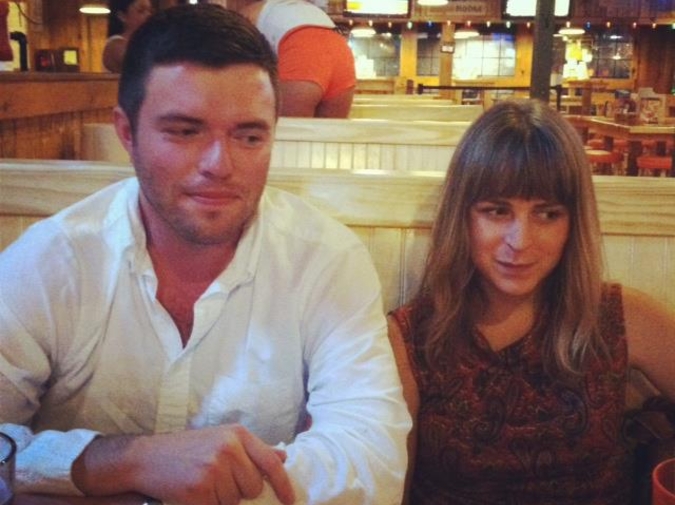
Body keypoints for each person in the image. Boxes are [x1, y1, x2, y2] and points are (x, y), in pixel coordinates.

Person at [0, 5, 410, 505]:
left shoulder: (326, 260)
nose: (220, 164)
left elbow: (371, 460)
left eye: (249, 136)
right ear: (127, 132)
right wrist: (127, 459)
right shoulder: (53, 260)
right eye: (185, 131)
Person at [387, 99, 675, 505]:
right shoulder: (409, 338)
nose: (520, 241)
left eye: (547, 214)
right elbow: (391, 491)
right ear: (462, 217)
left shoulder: (620, 318)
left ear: (572, 223)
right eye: (497, 211)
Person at [238, 0, 356, 118]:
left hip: (301, 49)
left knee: (286, 128)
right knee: (331, 129)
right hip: (339, 47)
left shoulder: (242, 16)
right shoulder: (297, 8)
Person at [102, 0, 152, 73]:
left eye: (150, 11)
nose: (148, 15)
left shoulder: (145, 43)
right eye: (141, 11)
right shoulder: (116, 45)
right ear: (122, 16)